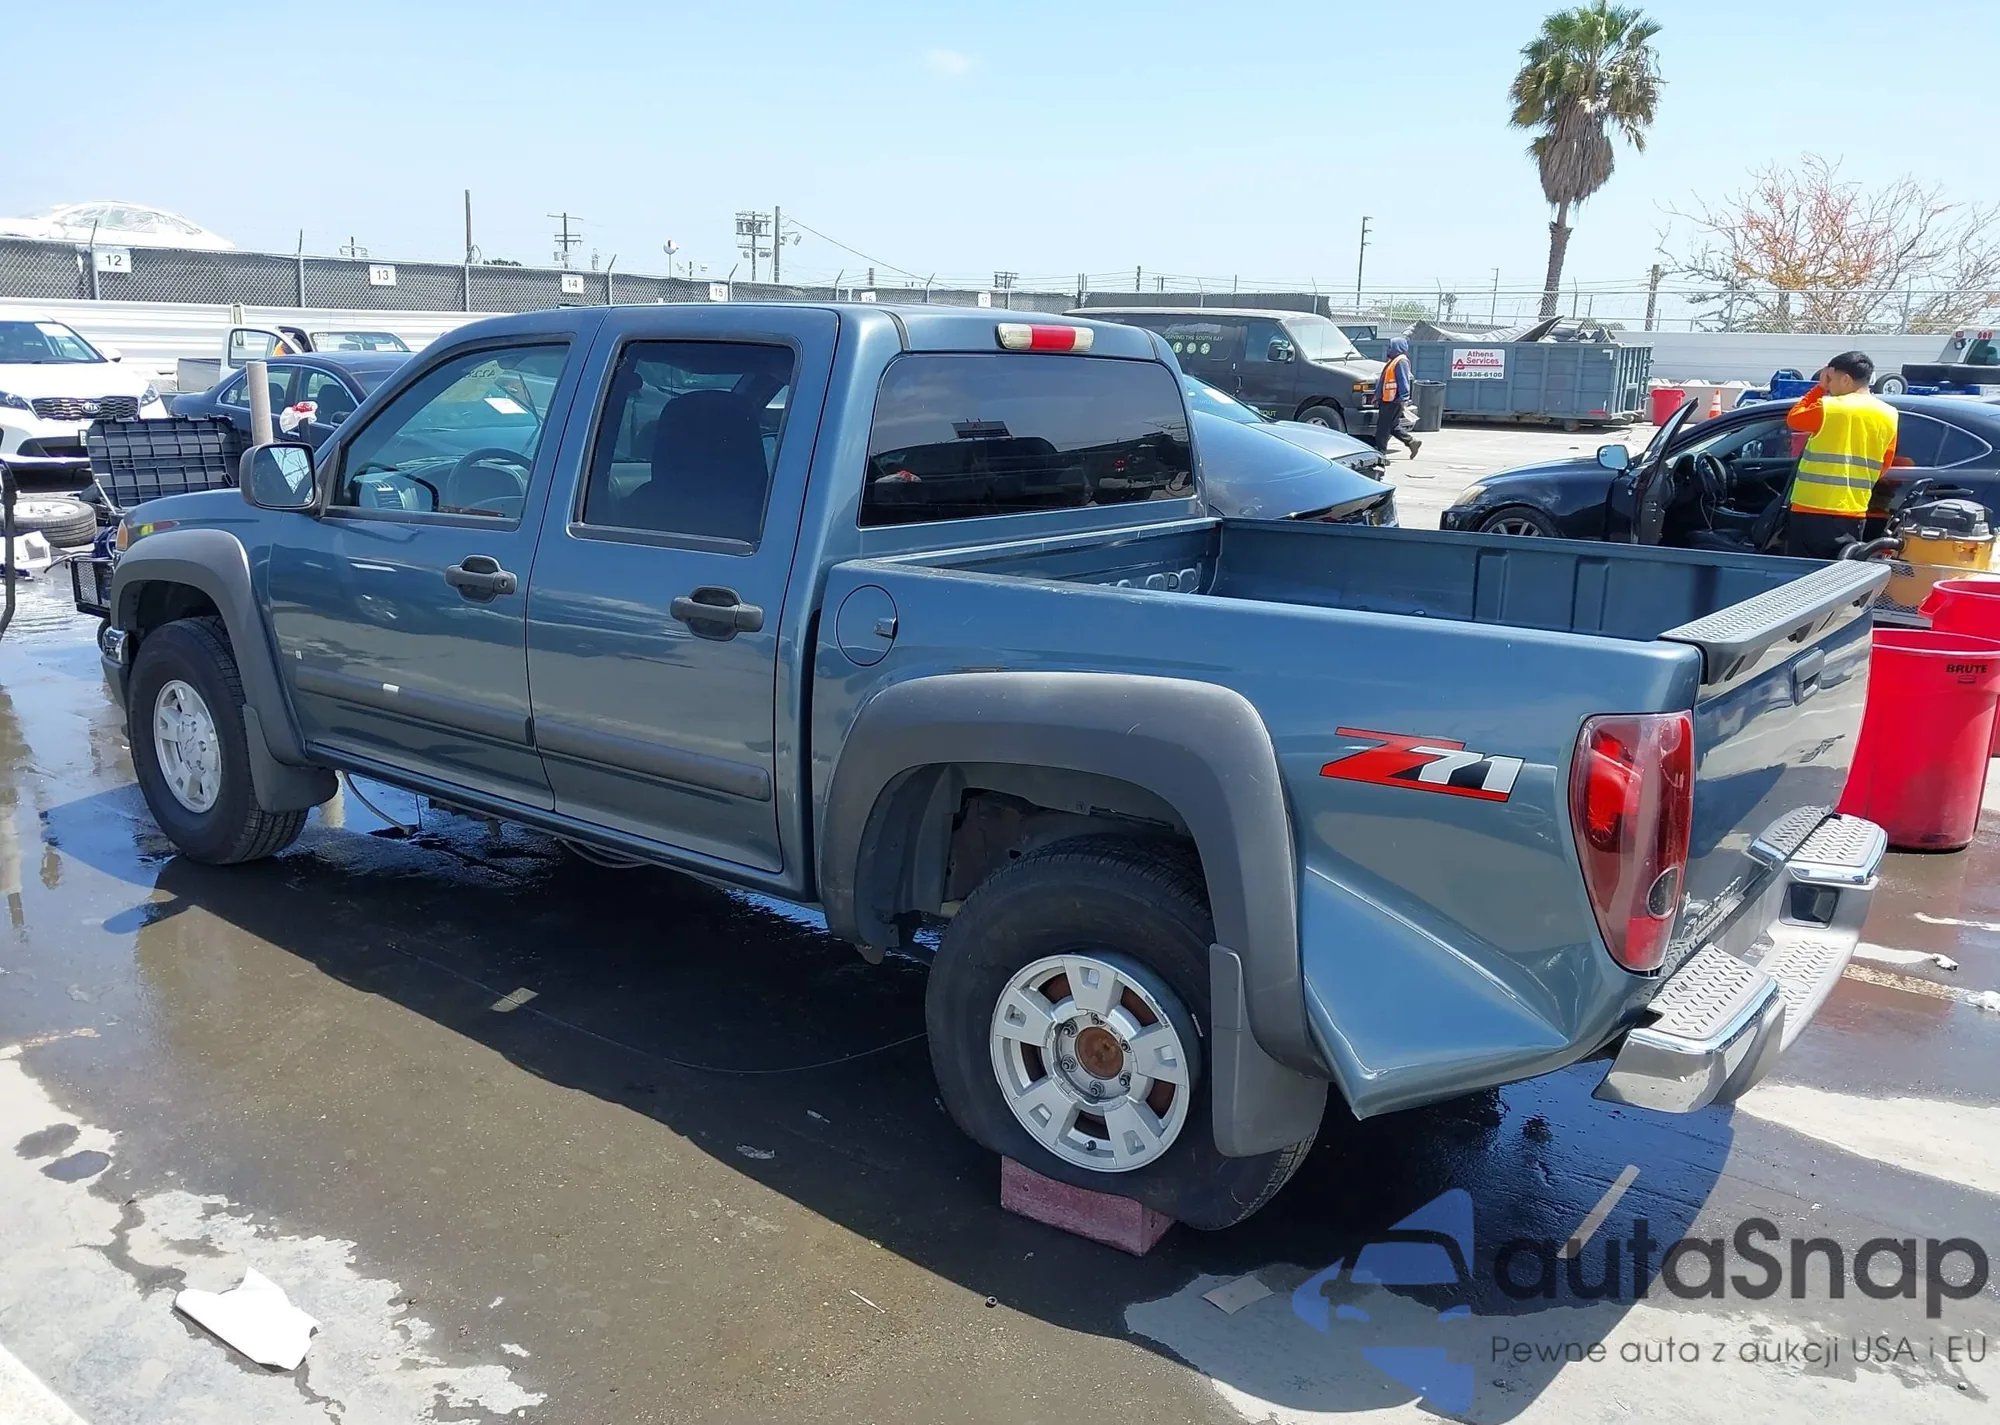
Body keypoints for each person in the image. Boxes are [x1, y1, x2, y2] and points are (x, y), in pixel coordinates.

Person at [1782, 350, 1898, 559]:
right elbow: (1885, 463)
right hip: (1854, 510)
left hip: (1812, 508)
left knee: (1805, 573)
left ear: (1845, 379)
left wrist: (1819, 389)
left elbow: (1794, 419)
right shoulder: (1889, 414)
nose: (1829, 386)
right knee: (1839, 572)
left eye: (1830, 379)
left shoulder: (1829, 407)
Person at [1372, 337, 1422, 459]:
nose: (1388, 349)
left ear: (1398, 347)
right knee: (1392, 426)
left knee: (1383, 428)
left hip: (1393, 400)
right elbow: (1384, 381)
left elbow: (1403, 381)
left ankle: (1380, 454)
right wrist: (1377, 396)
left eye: (1391, 346)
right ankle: (1411, 442)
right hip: (1388, 399)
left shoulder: (1401, 361)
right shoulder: (1393, 361)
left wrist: (1403, 399)